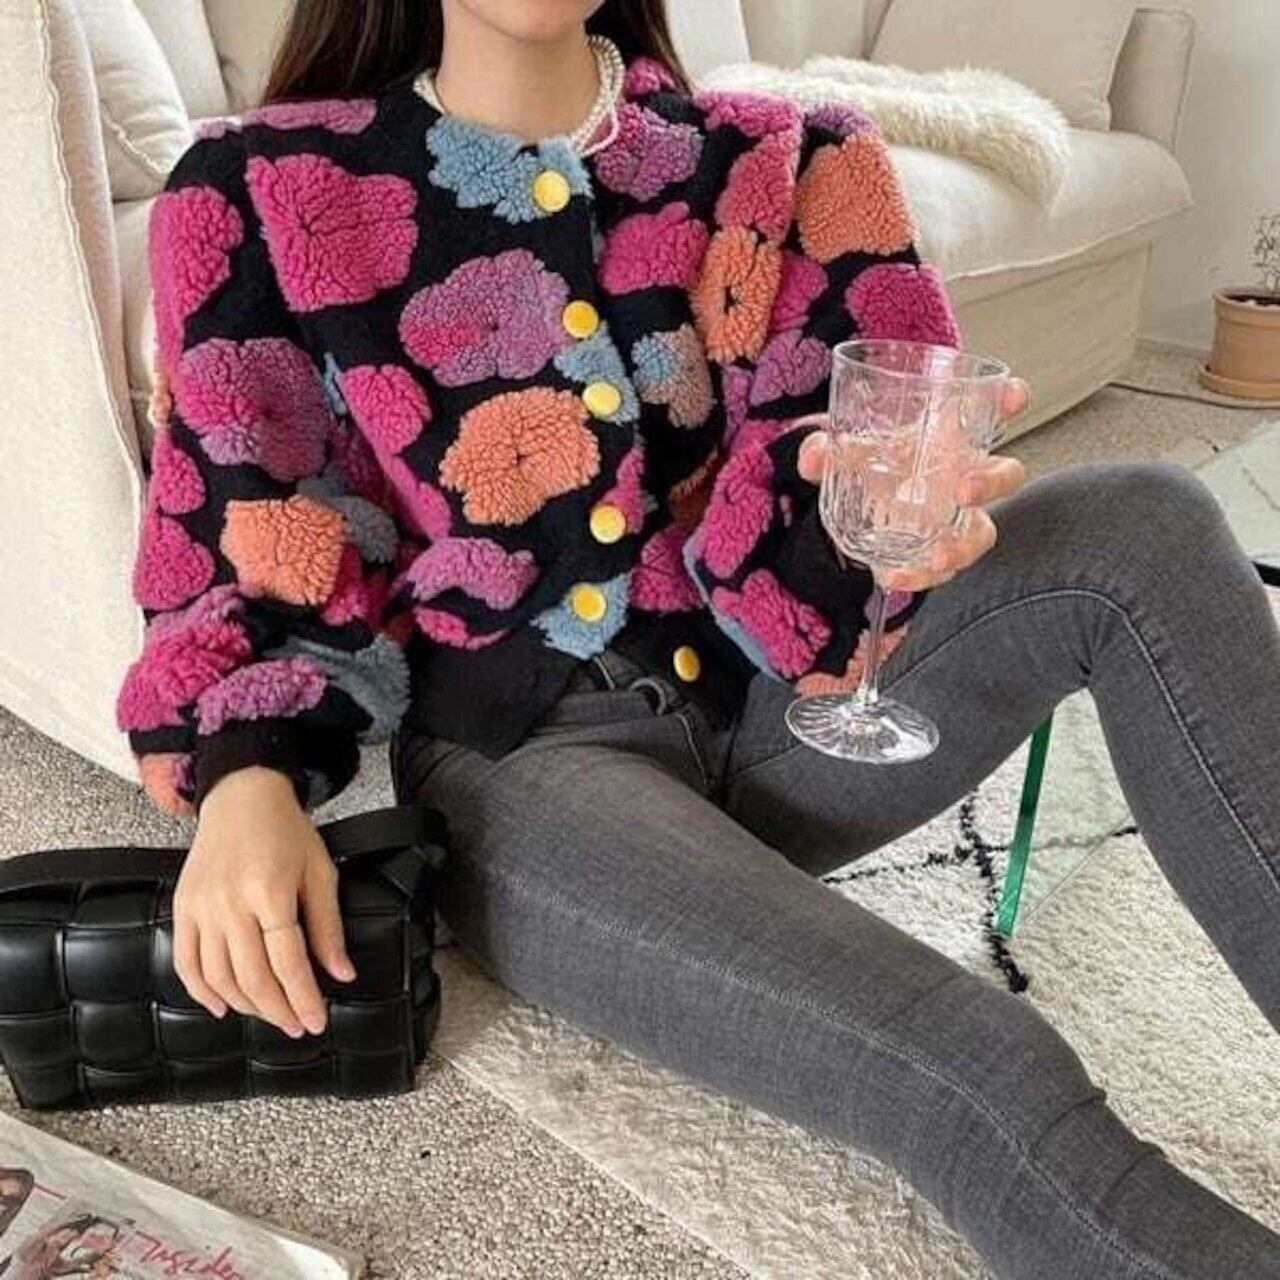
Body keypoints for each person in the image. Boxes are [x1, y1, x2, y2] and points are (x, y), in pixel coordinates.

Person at [117, 1, 1280, 1275]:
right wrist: (248, 777)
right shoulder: (261, 190)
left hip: (786, 707)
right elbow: (249, 533)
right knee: (973, 1060)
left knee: (1142, 516)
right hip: (529, 764)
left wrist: (870, 510)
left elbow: (843, 470)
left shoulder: (792, 162)